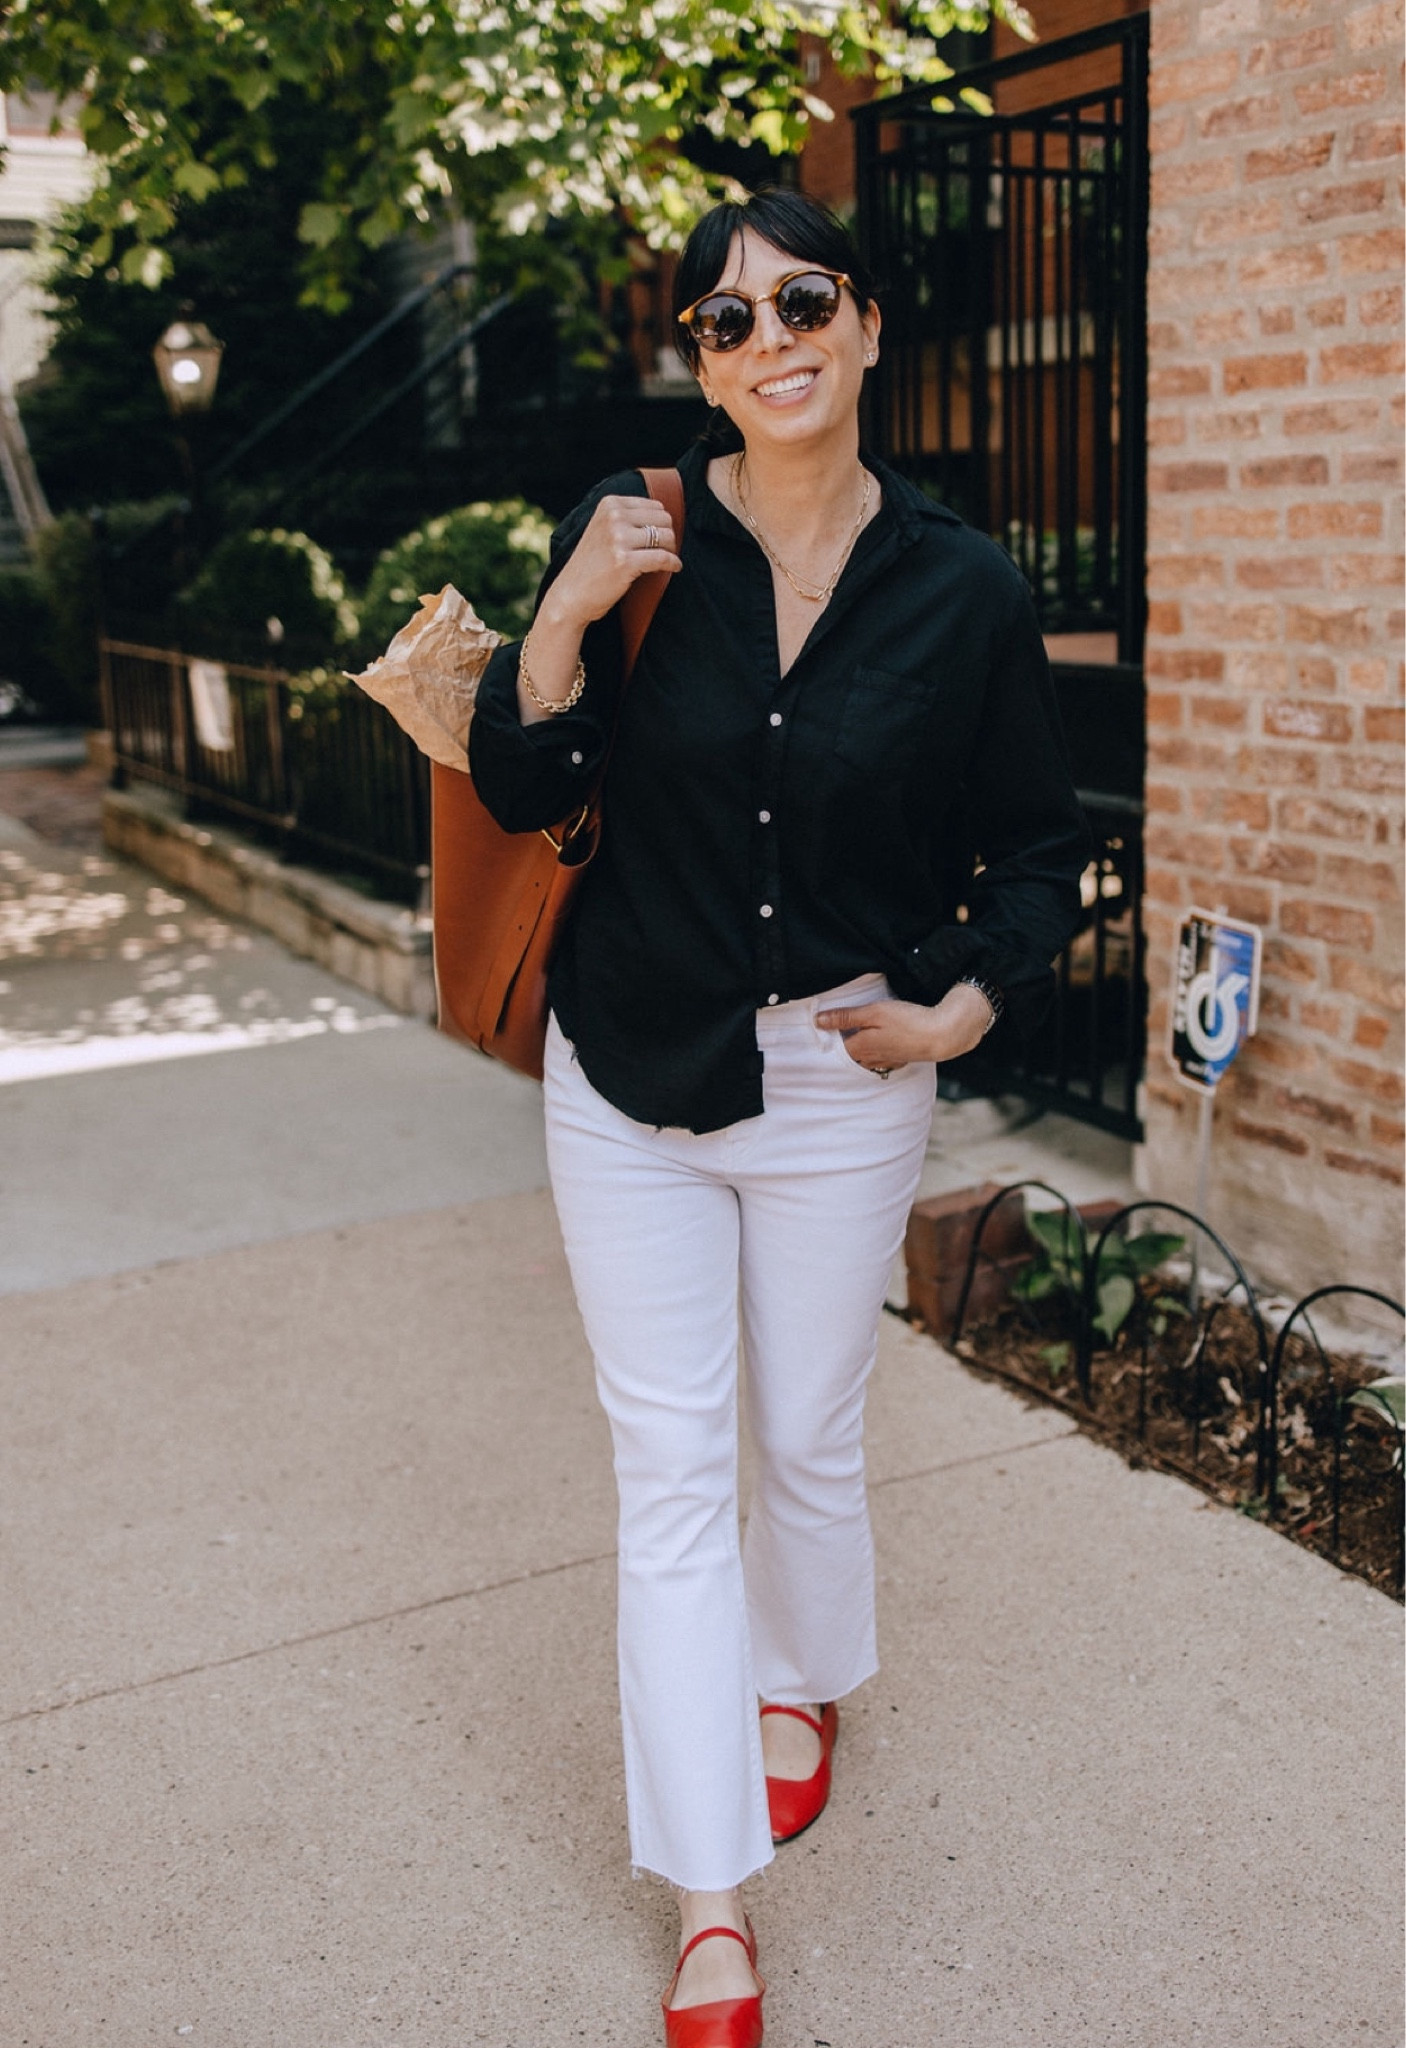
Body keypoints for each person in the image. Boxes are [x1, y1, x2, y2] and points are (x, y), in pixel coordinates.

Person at [469, 188, 1090, 2047]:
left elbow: (1044, 853)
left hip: (840, 1081)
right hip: (631, 1071)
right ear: (702, 368)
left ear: (869, 326)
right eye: (722, 324)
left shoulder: (964, 589)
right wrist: (570, 611)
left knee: (807, 1437)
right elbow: (519, 778)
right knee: (670, 1478)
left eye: (798, 301)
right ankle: (708, 1903)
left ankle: (802, 1676)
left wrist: (960, 1004)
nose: (766, 342)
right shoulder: (641, 544)